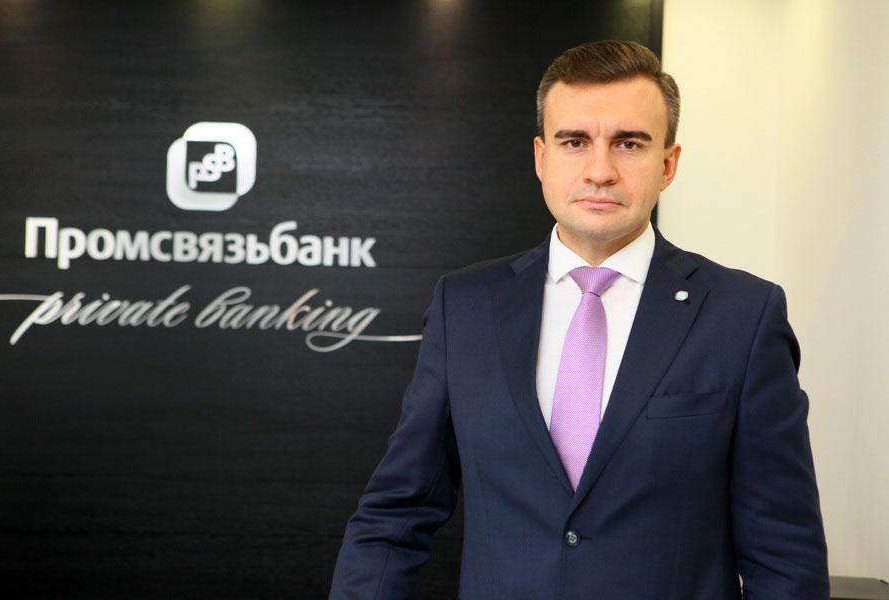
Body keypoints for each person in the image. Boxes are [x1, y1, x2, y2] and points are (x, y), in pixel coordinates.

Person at [329, 40, 829, 599]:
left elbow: (785, 553)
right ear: (541, 158)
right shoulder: (465, 307)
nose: (600, 171)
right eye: (575, 142)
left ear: (668, 164)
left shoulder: (743, 315)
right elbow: (396, 515)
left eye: (629, 143)